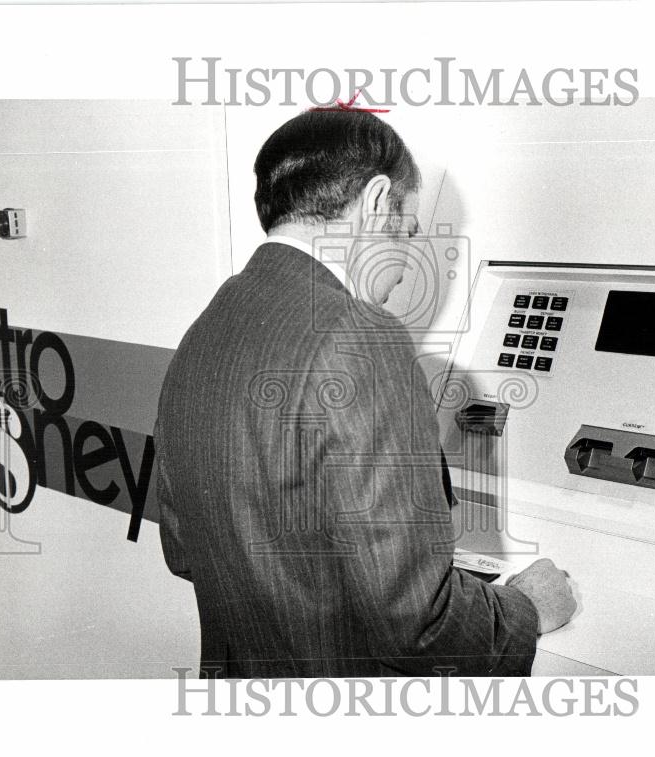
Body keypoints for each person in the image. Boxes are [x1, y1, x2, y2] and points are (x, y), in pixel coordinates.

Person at [154, 108, 575, 678]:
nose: (402, 271)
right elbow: (417, 626)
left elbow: (185, 550)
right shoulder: (361, 338)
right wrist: (525, 608)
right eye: (406, 233)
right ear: (378, 203)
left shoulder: (206, 332)